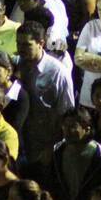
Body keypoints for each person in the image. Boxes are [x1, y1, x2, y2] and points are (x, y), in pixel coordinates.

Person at [16, 21, 74, 183]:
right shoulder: (16, 65)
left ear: (41, 43)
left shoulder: (57, 73)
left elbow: (67, 113)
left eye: (26, 45)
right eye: (18, 44)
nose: (21, 49)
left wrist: (52, 148)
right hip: (20, 146)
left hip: (45, 150)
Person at [50, 107, 101, 200]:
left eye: (73, 127)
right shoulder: (57, 153)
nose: (67, 131)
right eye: (65, 126)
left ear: (87, 128)